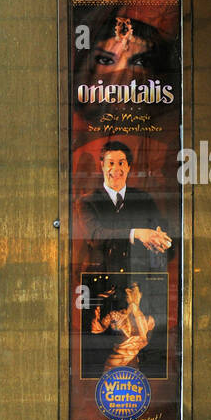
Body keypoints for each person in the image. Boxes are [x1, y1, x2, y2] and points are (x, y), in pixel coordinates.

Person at [78, 140, 171, 275]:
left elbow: (163, 235)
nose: (116, 169)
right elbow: (96, 237)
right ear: (102, 165)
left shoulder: (144, 199)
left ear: (128, 167)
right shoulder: (87, 201)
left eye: (121, 163)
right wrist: (137, 234)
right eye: (110, 163)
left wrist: (160, 240)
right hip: (101, 278)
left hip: (139, 278)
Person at [90, 282, 155, 371]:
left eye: (132, 290)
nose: (129, 293)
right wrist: (98, 299)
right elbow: (96, 329)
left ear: (140, 294)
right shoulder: (116, 315)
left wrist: (134, 306)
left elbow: (144, 339)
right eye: (127, 290)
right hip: (113, 365)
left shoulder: (148, 320)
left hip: (133, 365)